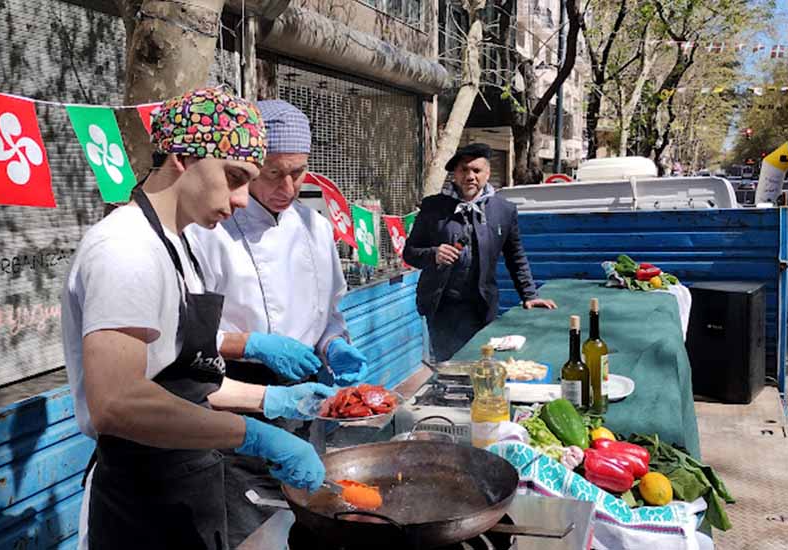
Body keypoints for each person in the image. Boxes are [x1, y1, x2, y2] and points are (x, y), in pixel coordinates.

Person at [61, 88, 335, 550]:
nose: (244, 199)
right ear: (183, 157)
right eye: (234, 177)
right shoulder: (126, 250)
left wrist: (275, 401)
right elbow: (118, 402)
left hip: (186, 476)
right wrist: (255, 436)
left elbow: (184, 379)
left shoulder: (176, 246)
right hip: (144, 500)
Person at [186, 99, 369, 547]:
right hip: (237, 396)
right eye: (273, 173)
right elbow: (181, 335)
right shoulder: (209, 230)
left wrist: (333, 345)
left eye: (299, 172)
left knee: (310, 516)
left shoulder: (315, 227)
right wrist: (252, 345)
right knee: (252, 526)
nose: (287, 186)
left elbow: (327, 314)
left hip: (304, 396)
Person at [403, 143, 556, 362]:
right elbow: (409, 253)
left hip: (481, 307)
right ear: (455, 174)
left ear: (487, 173)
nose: (470, 176)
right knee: (449, 366)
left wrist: (530, 295)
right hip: (442, 307)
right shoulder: (433, 207)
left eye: (476, 170)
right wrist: (433, 254)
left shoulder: (503, 210)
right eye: (464, 170)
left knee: (482, 364)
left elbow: (516, 256)